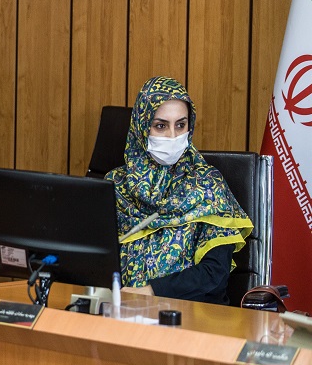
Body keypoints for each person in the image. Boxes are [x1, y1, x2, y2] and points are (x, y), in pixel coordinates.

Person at [105, 76, 253, 304]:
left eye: (180, 125)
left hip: (190, 313)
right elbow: (92, 259)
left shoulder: (207, 185)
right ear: (141, 127)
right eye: (161, 126)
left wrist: (151, 291)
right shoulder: (116, 185)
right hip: (119, 308)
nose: (173, 136)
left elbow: (214, 275)